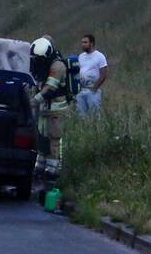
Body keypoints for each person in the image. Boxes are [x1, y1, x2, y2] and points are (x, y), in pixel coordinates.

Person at [30, 35, 71, 183]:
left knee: (54, 138)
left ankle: (53, 170)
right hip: (44, 108)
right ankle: (40, 167)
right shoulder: (43, 64)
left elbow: (50, 87)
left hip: (56, 109)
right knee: (41, 137)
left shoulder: (57, 66)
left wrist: (34, 101)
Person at [76, 34, 108, 118]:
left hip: (92, 90)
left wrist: (94, 88)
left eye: (85, 42)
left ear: (92, 43)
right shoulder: (80, 56)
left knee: (94, 116)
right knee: (81, 117)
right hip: (81, 90)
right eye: (82, 42)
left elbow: (103, 74)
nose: (83, 44)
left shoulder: (100, 56)